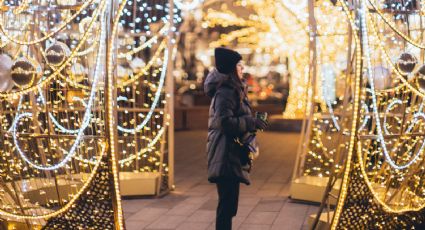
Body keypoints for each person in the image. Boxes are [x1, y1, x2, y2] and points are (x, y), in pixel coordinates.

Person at [204, 47, 268, 230]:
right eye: (239, 66)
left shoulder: (233, 89)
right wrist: (250, 122)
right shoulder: (226, 92)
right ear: (232, 69)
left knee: (229, 206)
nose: (243, 69)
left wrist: (252, 122)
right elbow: (224, 122)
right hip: (225, 154)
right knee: (227, 207)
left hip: (230, 153)